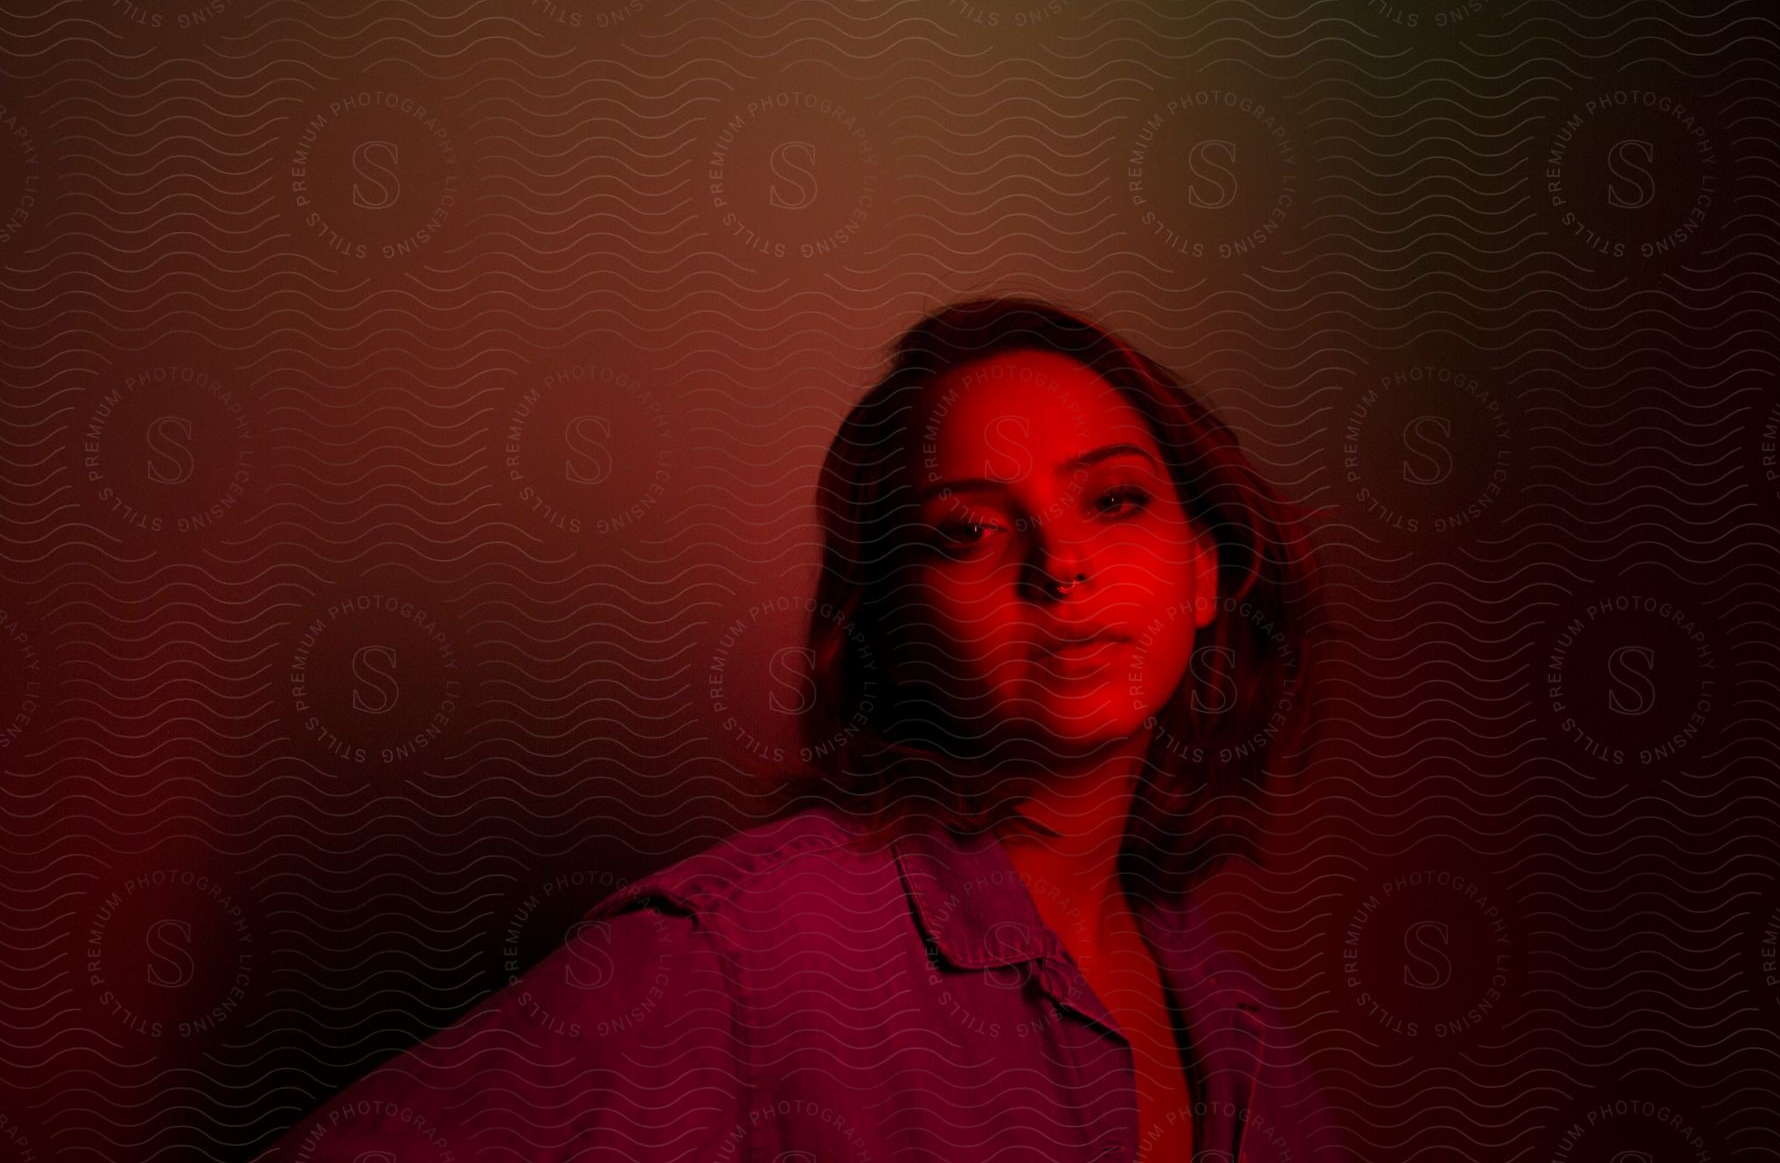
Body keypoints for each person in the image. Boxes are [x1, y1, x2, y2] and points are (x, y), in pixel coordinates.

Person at [262, 297, 1343, 1162]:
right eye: (964, 531)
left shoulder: (1240, 1032)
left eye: (1112, 500)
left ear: (1206, 568)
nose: (1059, 565)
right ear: (893, 625)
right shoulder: (747, 956)